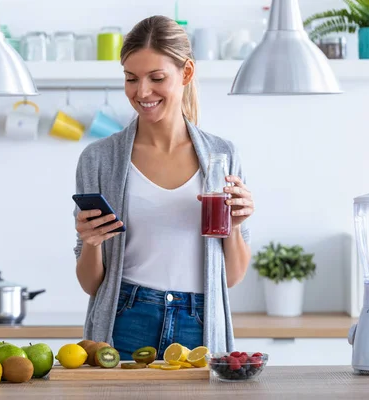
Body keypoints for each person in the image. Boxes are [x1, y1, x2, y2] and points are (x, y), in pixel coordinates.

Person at [73, 15, 254, 360]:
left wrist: (237, 226)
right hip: (125, 317)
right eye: (131, 79)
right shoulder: (98, 160)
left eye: (157, 78)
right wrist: (91, 243)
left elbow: (230, 277)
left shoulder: (221, 156)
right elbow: (91, 285)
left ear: (186, 73)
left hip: (199, 321)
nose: (142, 92)